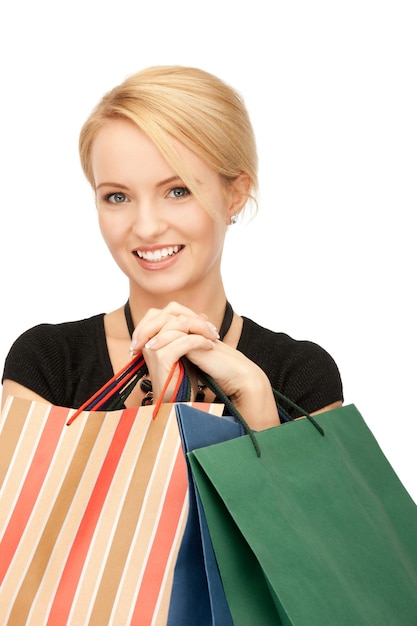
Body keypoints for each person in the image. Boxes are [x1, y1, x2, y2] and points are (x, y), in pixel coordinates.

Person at [1, 66, 343, 427]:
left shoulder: (300, 378)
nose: (147, 227)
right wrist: (166, 412)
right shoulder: (48, 363)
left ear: (236, 195)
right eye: (117, 196)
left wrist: (256, 400)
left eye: (177, 191)